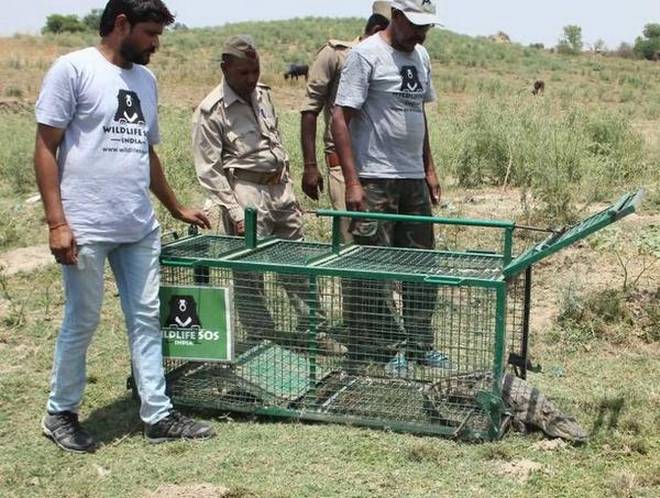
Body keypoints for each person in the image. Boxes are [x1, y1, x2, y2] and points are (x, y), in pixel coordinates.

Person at [34, 0, 215, 454]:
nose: (156, 44)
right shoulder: (72, 69)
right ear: (121, 24)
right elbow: (45, 147)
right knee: (84, 318)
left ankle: (157, 413)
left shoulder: (145, 80)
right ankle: (60, 412)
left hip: (137, 224)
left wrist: (174, 208)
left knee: (147, 317)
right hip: (87, 226)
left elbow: (146, 152)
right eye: (150, 34)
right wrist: (57, 222)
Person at [192, 35, 342, 354]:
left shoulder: (262, 95)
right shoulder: (212, 109)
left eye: (255, 71)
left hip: (279, 188)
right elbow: (210, 170)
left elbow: (275, 143)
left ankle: (315, 329)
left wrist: (287, 187)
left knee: (296, 264)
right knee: (249, 273)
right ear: (225, 68)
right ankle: (263, 338)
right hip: (245, 193)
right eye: (243, 73)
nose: (250, 79)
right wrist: (234, 212)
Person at [331, 0, 444, 375]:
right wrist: (352, 182)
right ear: (395, 16)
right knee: (375, 269)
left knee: (420, 265)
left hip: (412, 178)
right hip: (375, 178)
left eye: (426, 27)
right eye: (415, 25)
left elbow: (419, 115)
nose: (421, 33)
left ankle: (419, 345)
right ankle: (385, 347)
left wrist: (429, 169)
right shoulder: (365, 56)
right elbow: (340, 118)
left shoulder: (421, 56)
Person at [300, 6, 391, 242]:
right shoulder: (336, 55)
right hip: (343, 167)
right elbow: (310, 110)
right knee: (352, 245)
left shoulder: (396, 60)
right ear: (377, 30)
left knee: (385, 248)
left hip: (385, 168)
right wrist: (310, 166)